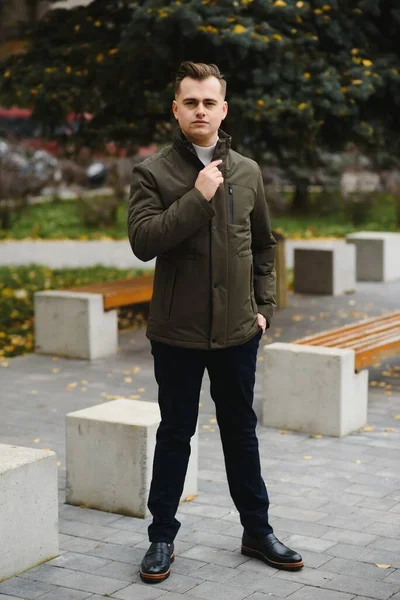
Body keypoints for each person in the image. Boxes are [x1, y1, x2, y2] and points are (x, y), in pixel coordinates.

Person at [128, 61, 303, 584]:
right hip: (176, 334)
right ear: (176, 110)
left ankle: (257, 531)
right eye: (190, 102)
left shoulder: (247, 171)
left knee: (241, 433)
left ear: (223, 109)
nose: (200, 110)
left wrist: (264, 309)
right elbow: (144, 241)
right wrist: (198, 194)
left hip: (237, 334)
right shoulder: (152, 173)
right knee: (175, 432)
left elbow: (266, 245)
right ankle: (161, 537)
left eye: (209, 102)